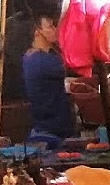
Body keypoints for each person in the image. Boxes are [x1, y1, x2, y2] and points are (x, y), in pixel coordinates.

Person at [22, 12, 74, 140]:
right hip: (48, 133)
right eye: (50, 27)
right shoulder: (37, 60)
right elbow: (74, 66)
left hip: (60, 129)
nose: (55, 30)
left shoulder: (48, 55)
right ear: (37, 31)